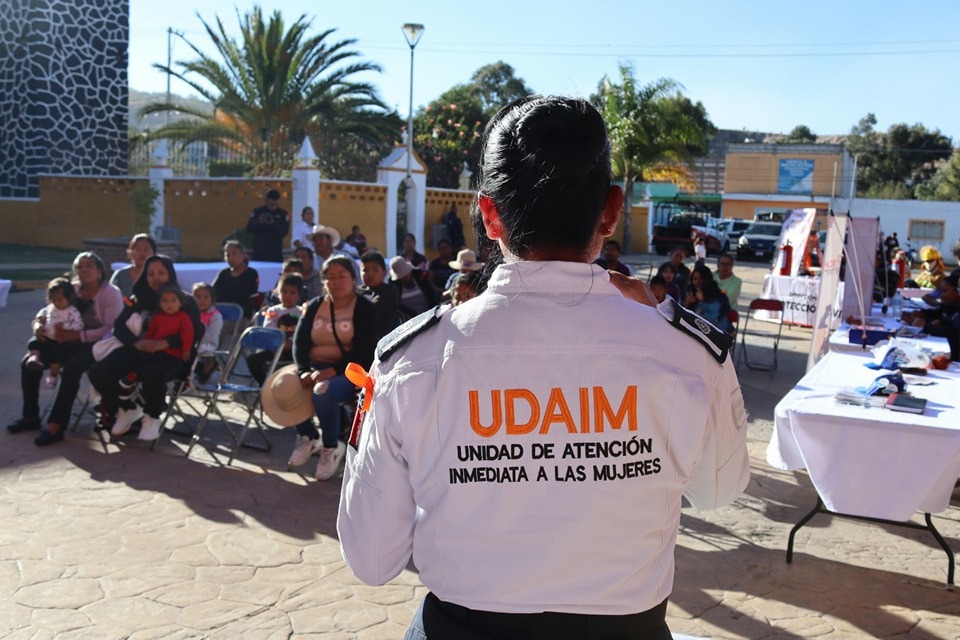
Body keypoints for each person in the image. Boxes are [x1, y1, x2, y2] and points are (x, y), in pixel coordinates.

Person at [337, 95, 749, 639]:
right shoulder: (686, 353)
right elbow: (720, 491)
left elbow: (371, 559)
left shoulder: (412, 360)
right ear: (610, 210)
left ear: (489, 216)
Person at [9, 252, 123, 446]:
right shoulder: (72, 288)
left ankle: (56, 424)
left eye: (88, 265)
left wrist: (78, 336)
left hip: (95, 345)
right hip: (64, 341)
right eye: (79, 266)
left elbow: (111, 328)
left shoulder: (110, 293)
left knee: (71, 369)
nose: (83, 270)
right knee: (27, 364)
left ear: (99, 270)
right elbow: (47, 309)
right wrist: (38, 324)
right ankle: (30, 417)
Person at [88, 255, 202, 441]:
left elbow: (195, 332)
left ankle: (152, 417)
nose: (155, 277)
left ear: (170, 274)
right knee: (99, 371)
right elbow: (119, 326)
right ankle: (126, 409)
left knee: (152, 373)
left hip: (174, 355)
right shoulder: (138, 299)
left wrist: (165, 343)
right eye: (150, 274)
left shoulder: (184, 301)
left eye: (161, 273)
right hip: (140, 350)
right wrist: (137, 342)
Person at [290, 256, 377, 479]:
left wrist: (334, 370)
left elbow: (364, 350)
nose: (336, 282)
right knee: (285, 385)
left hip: (350, 371)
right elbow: (300, 343)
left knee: (323, 390)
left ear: (353, 279)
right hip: (314, 367)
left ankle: (331, 446)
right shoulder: (315, 306)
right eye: (330, 278)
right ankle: (308, 436)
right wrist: (302, 371)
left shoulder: (364, 308)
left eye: (342, 276)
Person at [24, 277, 85, 388]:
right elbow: (40, 316)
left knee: (55, 354)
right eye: (53, 300)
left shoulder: (72, 311)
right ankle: (34, 358)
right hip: (46, 336)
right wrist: (38, 325)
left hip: (59, 340)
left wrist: (66, 327)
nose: (56, 303)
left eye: (60, 300)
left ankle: (53, 375)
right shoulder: (50, 308)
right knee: (33, 342)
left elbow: (79, 325)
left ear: (69, 297)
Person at [248, 273, 304, 384]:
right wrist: (280, 345)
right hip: (275, 348)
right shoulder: (272, 311)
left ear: (299, 295)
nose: (287, 295)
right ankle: (265, 384)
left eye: (292, 293)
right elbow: (269, 330)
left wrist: (291, 344)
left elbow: (303, 332)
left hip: (295, 349)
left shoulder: (302, 312)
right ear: (278, 292)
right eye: (284, 291)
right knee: (252, 360)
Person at [902, 272, 960, 361]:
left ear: (957, 291)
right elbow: (938, 314)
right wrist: (921, 314)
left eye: (945, 291)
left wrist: (926, 326)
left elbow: (954, 332)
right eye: (941, 291)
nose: (942, 295)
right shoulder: (949, 305)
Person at [212, 239, 261, 318]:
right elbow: (212, 292)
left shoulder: (251, 273)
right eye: (227, 255)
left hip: (242, 315)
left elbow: (247, 296)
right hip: (221, 314)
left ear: (243, 254)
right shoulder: (223, 273)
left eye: (234, 254)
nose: (230, 258)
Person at [359, 250, 400, 339]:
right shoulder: (356, 291)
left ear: (384, 272)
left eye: (375, 269)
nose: (370, 274)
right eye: (365, 270)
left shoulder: (390, 291)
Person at [246, 189, 290, 262]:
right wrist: (258, 222)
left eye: (276, 205)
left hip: (275, 252)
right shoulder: (258, 212)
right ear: (266, 201)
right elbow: (249, 229)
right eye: (271, 204)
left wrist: (273, 224)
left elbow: (284, 232)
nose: (273, 207)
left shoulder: (283, 214)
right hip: (259, 251)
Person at [390, 255, 438, 321]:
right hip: (409, 319)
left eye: (406, 274)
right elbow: (398, 306)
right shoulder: (395, 285)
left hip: (429, 314)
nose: (405, 277)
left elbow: (431, 294)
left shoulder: (419, 276)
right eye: (402, 276)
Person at [109, 233, 157, 298]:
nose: (142, 253)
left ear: (153, 253)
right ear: (130, 252)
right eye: (138, 249)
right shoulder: (120, 275)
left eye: (146, 249)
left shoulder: (158, 275)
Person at [192, 283, 222, 382]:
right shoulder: (190, 313)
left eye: (205, 297)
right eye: (198, 297)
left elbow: (212, 336)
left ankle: (190, 375)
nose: (201, 300)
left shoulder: (215, 316)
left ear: (212, 299)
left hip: (207, 344)